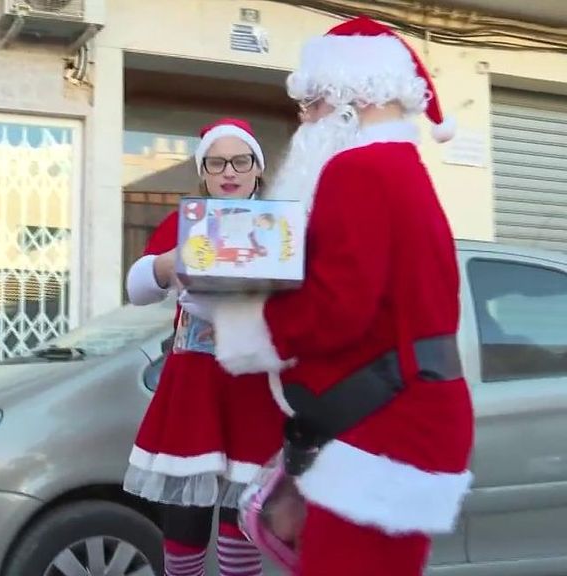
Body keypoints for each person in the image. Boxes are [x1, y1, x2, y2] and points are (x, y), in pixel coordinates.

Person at [197, 16, 474, 576]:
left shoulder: (359, 169)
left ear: (349, 98)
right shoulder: (402, 169)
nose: (305, 121)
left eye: (312, 103)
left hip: (382, 436)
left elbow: (339, 307)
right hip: (401, 426)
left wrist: (246, 321)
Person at [124, 118, 284, 576]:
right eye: (216, 163)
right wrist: (166, 263)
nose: (228, 171)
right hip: (193, 391)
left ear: (257, 168)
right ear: (204, 172)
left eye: (240, 161)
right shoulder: (184, 222)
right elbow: (138, 290)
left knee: (242, 525)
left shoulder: (277, 225)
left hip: (253, 390)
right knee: (183, 526)